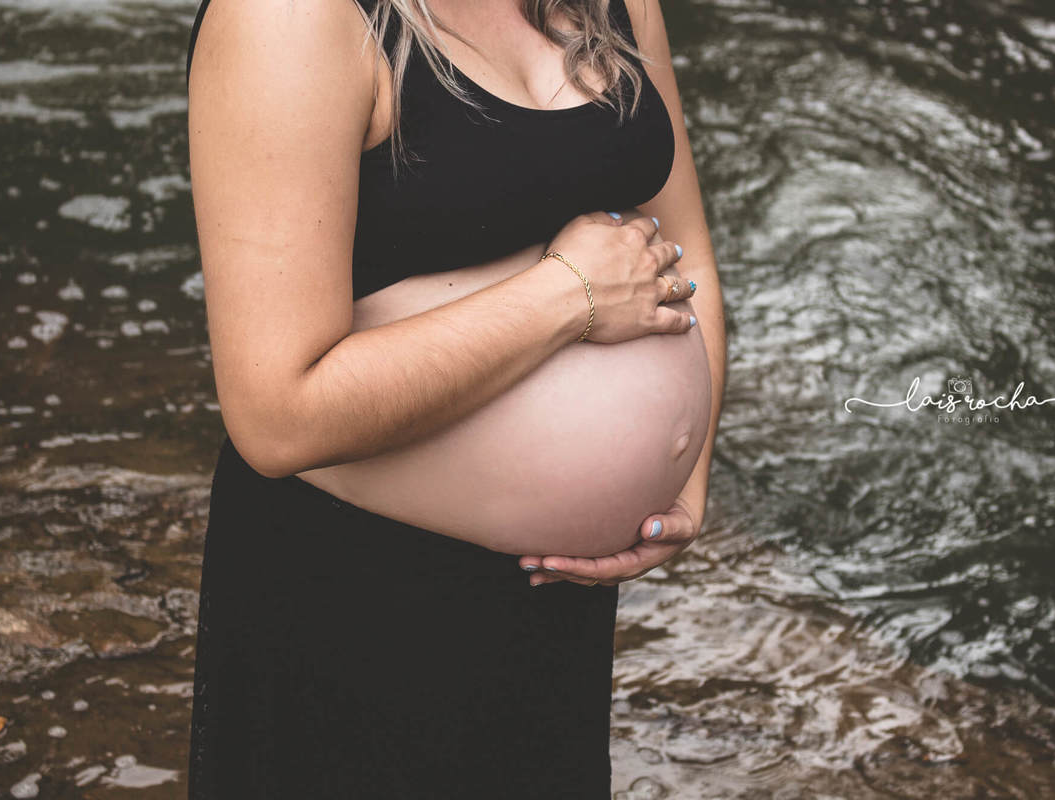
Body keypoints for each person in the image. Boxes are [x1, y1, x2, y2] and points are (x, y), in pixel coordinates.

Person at [183, 0, 726, 796]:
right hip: (354, 608)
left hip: (552, 606)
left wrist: (683, 476)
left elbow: (688, 252)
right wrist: (566, 296)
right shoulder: (292, 17)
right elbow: (276, 414)